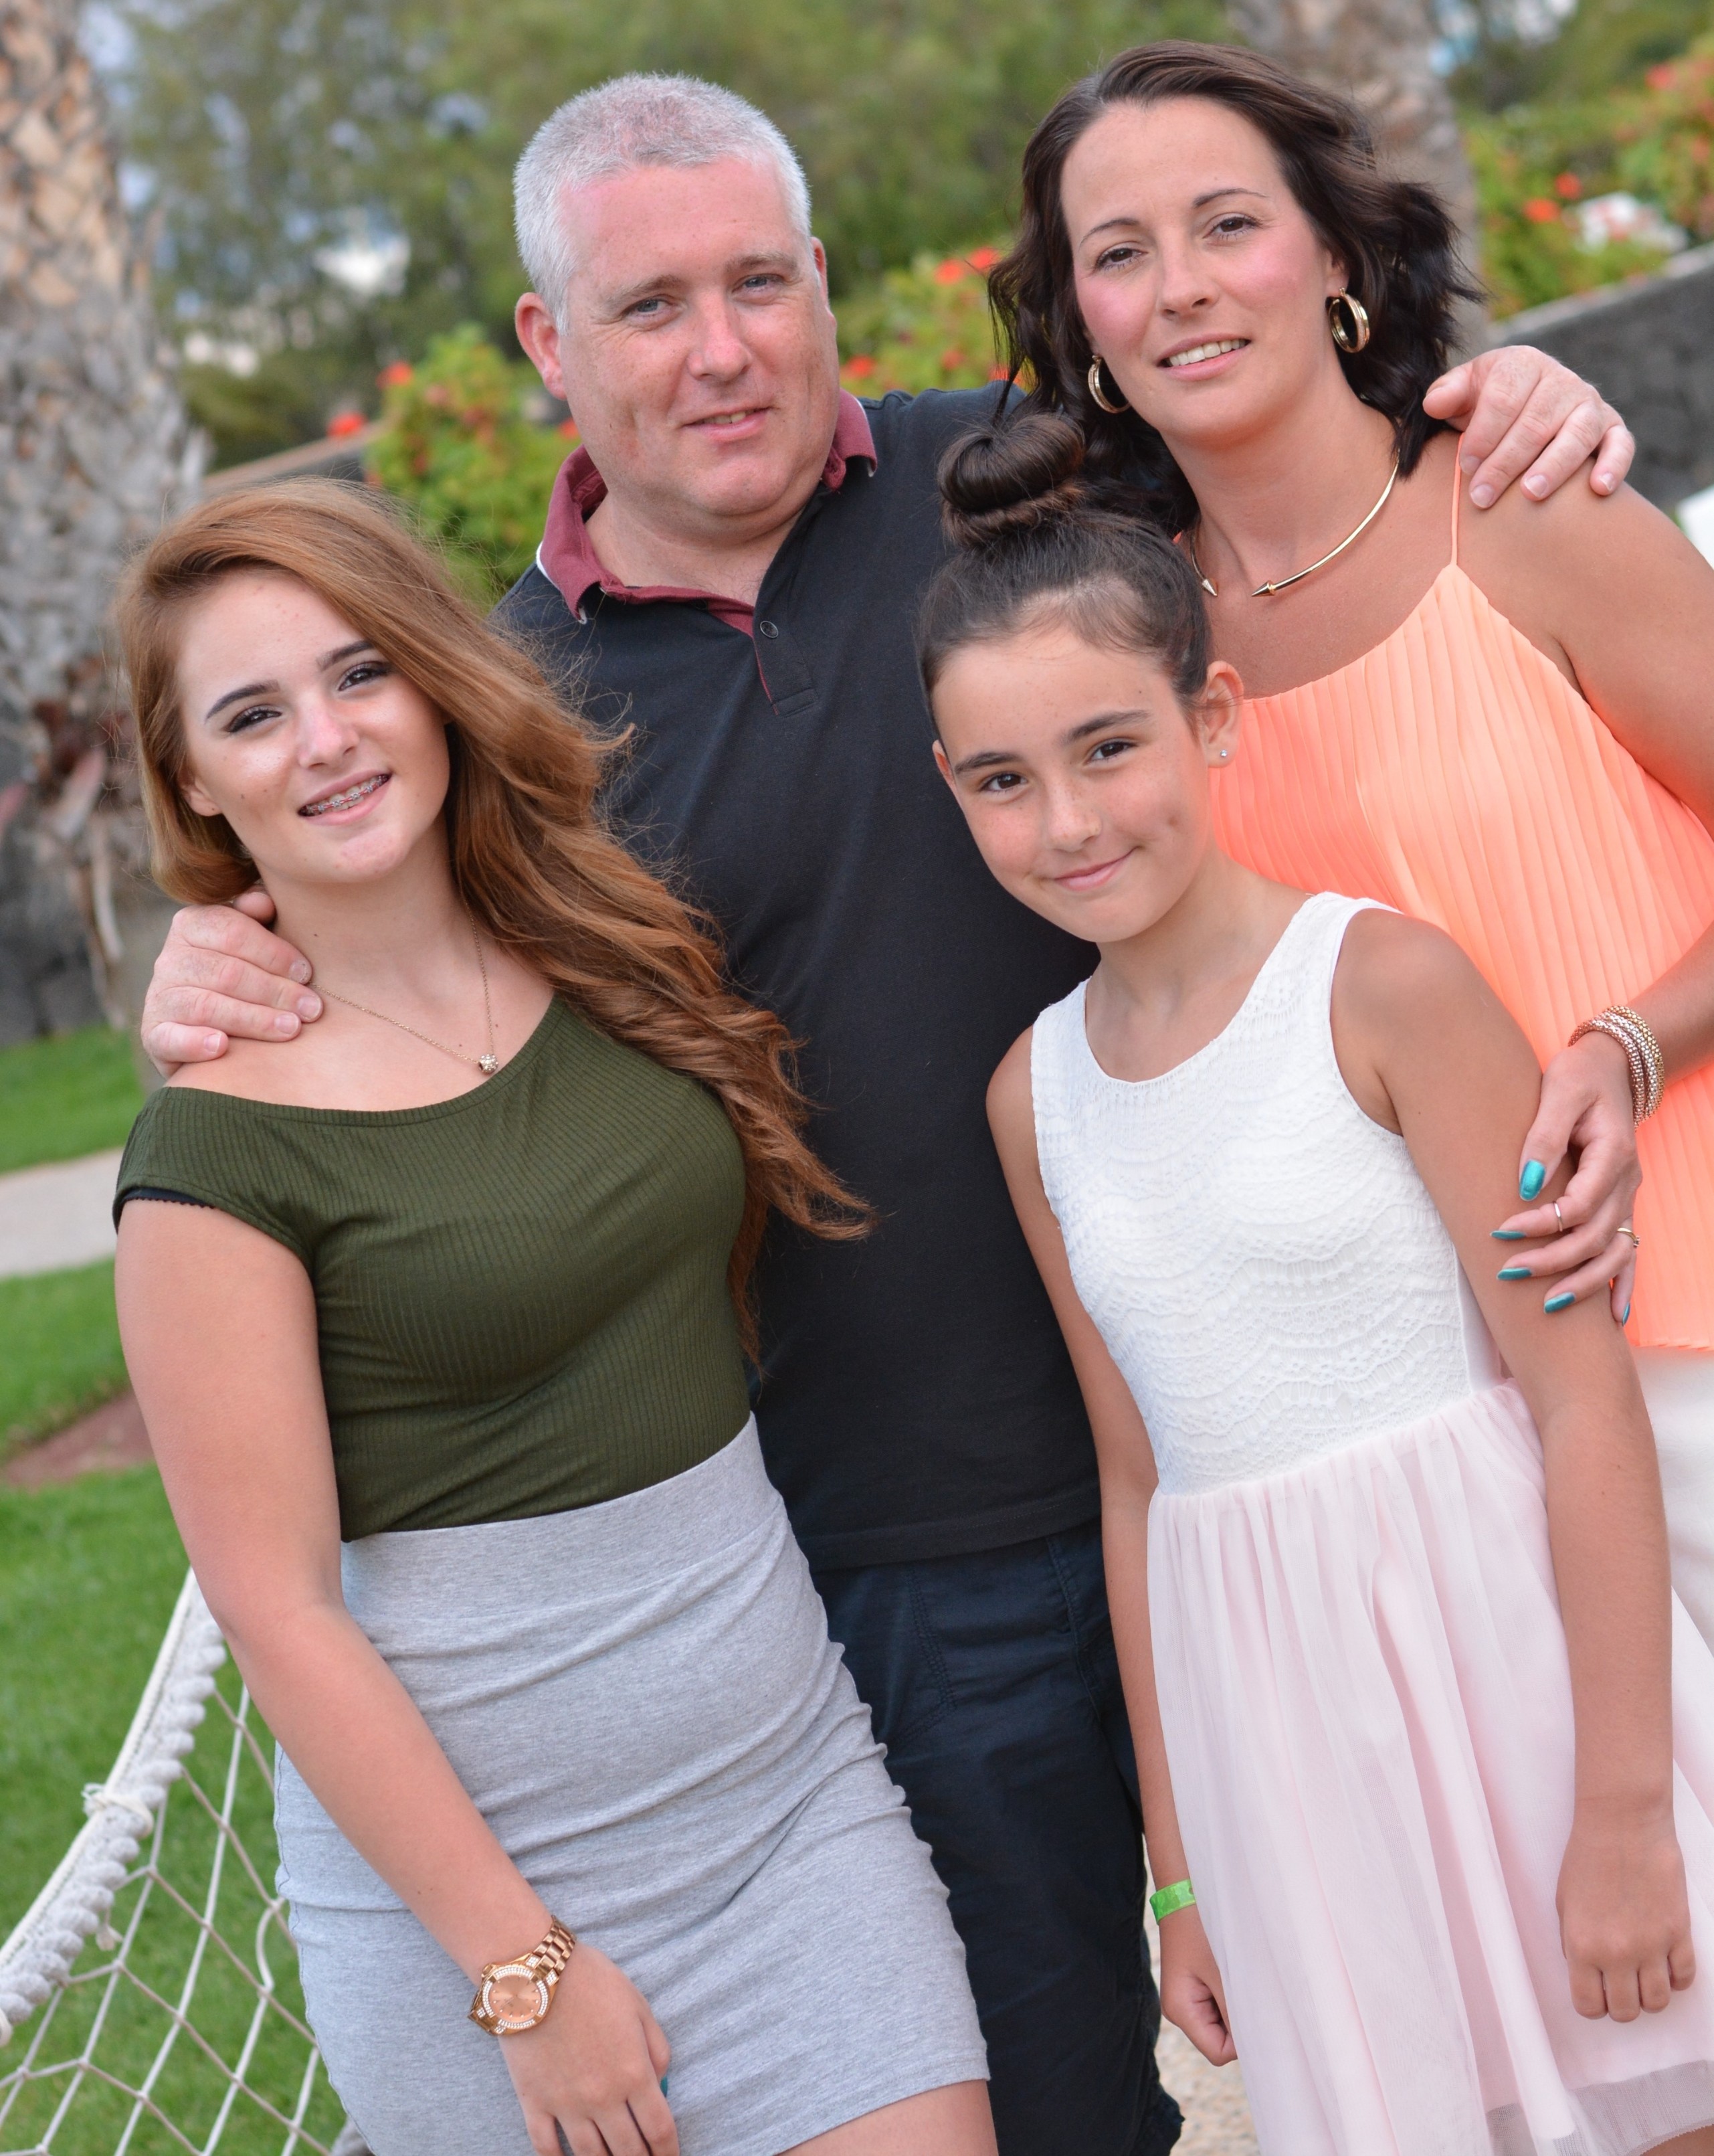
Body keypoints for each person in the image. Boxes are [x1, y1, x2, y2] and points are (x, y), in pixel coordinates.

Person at [133, 74, 1640, 2156]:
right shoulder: (499, 726)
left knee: (1474, 2037)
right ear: (544, 350)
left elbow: (1293, 426)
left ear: (824, 284)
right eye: (650, 305)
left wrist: (1519, 404)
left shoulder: (1023, 487)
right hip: (905, 1557)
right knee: (1067, 2106)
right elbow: (357, 934)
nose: (723, 343)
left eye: (761, 279)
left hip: (1285, 1466)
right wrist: (202, 958)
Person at [111, 480, 995, 2156]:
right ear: (197, 784)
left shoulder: (598, 936)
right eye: (251, 714)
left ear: (438, 680)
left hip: (790, 1810)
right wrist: (522, 1968)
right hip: (474, 1920)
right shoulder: (213, 1153)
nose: (324, 740)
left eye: (358, 672)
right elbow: (279, 1614)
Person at [920, 410, 1714, 2156]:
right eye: (1000, 779)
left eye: (1109, 746)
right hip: (1279, 1739)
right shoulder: (1029, 1096)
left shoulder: (1384, 985)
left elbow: (1573, 1393)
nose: (1066, 820)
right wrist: (1182, 1867)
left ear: (1209, 721)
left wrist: (1628, 1814)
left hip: (1518, 1677)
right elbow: (1138, 1480)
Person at [990, 41, 1714, 1643]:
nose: (1179, 287)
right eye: (1119, 255)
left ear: (1335, 258)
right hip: (1427, 1434)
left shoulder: (1533, 513)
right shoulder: (1121, 666)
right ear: (1085, 330)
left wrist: (1631, 1045)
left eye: (1227, 225)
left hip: (1688, 1343)